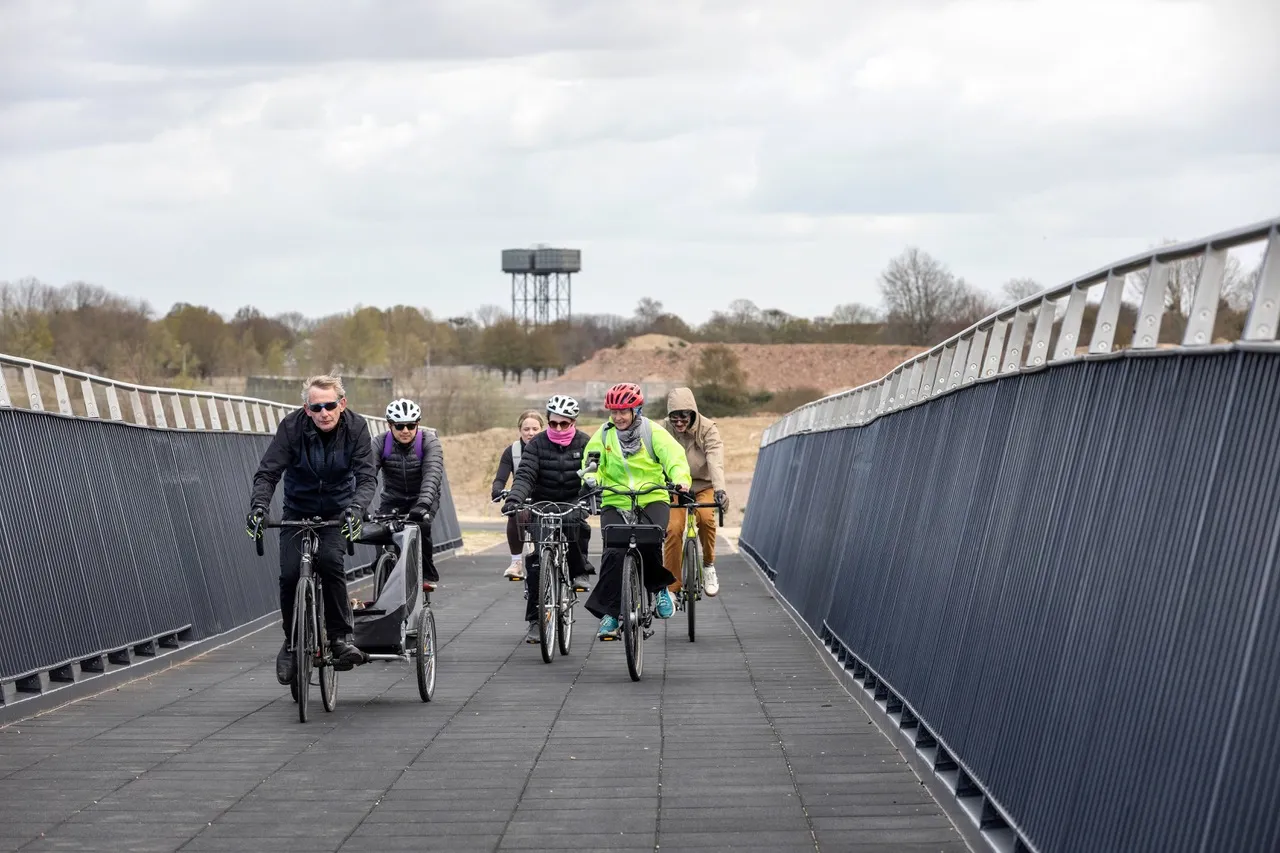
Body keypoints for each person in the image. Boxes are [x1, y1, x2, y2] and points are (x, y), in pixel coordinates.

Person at [246, 374, 376, 685]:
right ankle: (292, 645)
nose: (324, 413)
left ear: (341, 404)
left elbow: (367, 477)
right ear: (307, 409)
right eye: (316, 407)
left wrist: (356, 510)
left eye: (330, 405)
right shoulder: (291, 427)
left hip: (337, 510)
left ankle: (340, 639)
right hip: (298, 509)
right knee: (291, 574)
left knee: (331, 563)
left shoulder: (356, 428)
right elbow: (267, 473)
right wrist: (259, 508)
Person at [580, 382, 692, 640]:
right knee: (613, 550)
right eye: (614, 411)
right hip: (616, 497)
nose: (618, 417)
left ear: (636, 410)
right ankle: (610, 613)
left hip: (651, 495)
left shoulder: (653, 432)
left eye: (624, 411)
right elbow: (591, 461)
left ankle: (660, 589)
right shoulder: (605, 434)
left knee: (650, 539)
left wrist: (681, 479)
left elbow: (674, 458)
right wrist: (591, 477)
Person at [501, 395, 594, 644]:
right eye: (554, 423)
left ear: (573, 422)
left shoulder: (586, 443)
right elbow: (525, 475)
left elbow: (596, 476)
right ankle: (535, 620)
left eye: (564, 424)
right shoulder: (537, 445)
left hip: (573, 500)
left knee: (575, 527)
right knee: (535, 564)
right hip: (542, 503)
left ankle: (579, 571)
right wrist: (514, 499)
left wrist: (591, 498)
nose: (558, 428)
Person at [373, 397, 445, 591]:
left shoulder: (429, 441)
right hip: (392, 498)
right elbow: (366, 475)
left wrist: (422, 505)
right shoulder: (380, 443)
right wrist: (359, 505)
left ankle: (426, 573)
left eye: (411, 425)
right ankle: (382, 571)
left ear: (417, 424)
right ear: (390, 425)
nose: (405, 430)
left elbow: (432, 474)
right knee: (380, 533)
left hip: (422, 497)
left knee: (422, 526)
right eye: (399, 426)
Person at [662, 388, 728, 597]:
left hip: (703, 485)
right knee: (673, 529)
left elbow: (715, 460)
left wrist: (720, 490)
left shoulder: (708, 429)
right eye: (674, 418)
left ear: (693, 413)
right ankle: (672, 585)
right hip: (675, 486)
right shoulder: (663, 429)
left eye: (684, 417)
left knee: (706, 519)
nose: (679, 423)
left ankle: (708, 565)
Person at [491, 410, 545, 580]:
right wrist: (497, 490)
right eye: (526, 429)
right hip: (522, 499)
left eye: (535, 429)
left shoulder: (548, 447)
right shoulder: (512, 451)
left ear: (542, 429)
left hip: (546, 498)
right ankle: (516, 562)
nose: (531, 433)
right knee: (515, 515)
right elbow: (501, 477)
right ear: (519, 430)